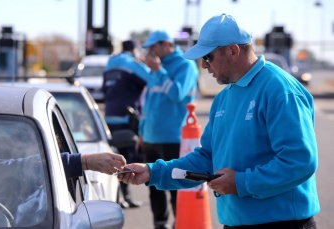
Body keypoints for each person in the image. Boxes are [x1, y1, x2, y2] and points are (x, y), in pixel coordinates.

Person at [119, 14, 319, 229]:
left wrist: (240, 182)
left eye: (208, 57)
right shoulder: (224, 97)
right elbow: (207, 157)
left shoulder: (280, 89)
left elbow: (299, 161)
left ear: (233, 50)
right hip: (233, 222)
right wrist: (153, 172)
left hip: (284, 223)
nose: (203, 65)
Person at [139, 30, 199, 229]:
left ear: (166, 44)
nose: (150, 52)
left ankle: (179, 224)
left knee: (175, 185)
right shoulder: (156, 69)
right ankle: (160, 224)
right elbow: (147, 103)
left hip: (173, 137)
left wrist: (159, 71)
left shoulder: (185, 65)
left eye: (153, 47)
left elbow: (176, 94)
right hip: (150, 137)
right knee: (153, 186)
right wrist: (141, 130)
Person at [102, 40, 150, 208]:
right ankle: (125, 196)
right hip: (126, 117)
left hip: (109, 116)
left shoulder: (110, 63)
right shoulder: (130, 63)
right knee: (126, 158)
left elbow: (105, 90)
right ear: (134, 50)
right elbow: (151, 77)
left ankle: (119, 196)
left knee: (115, 156)